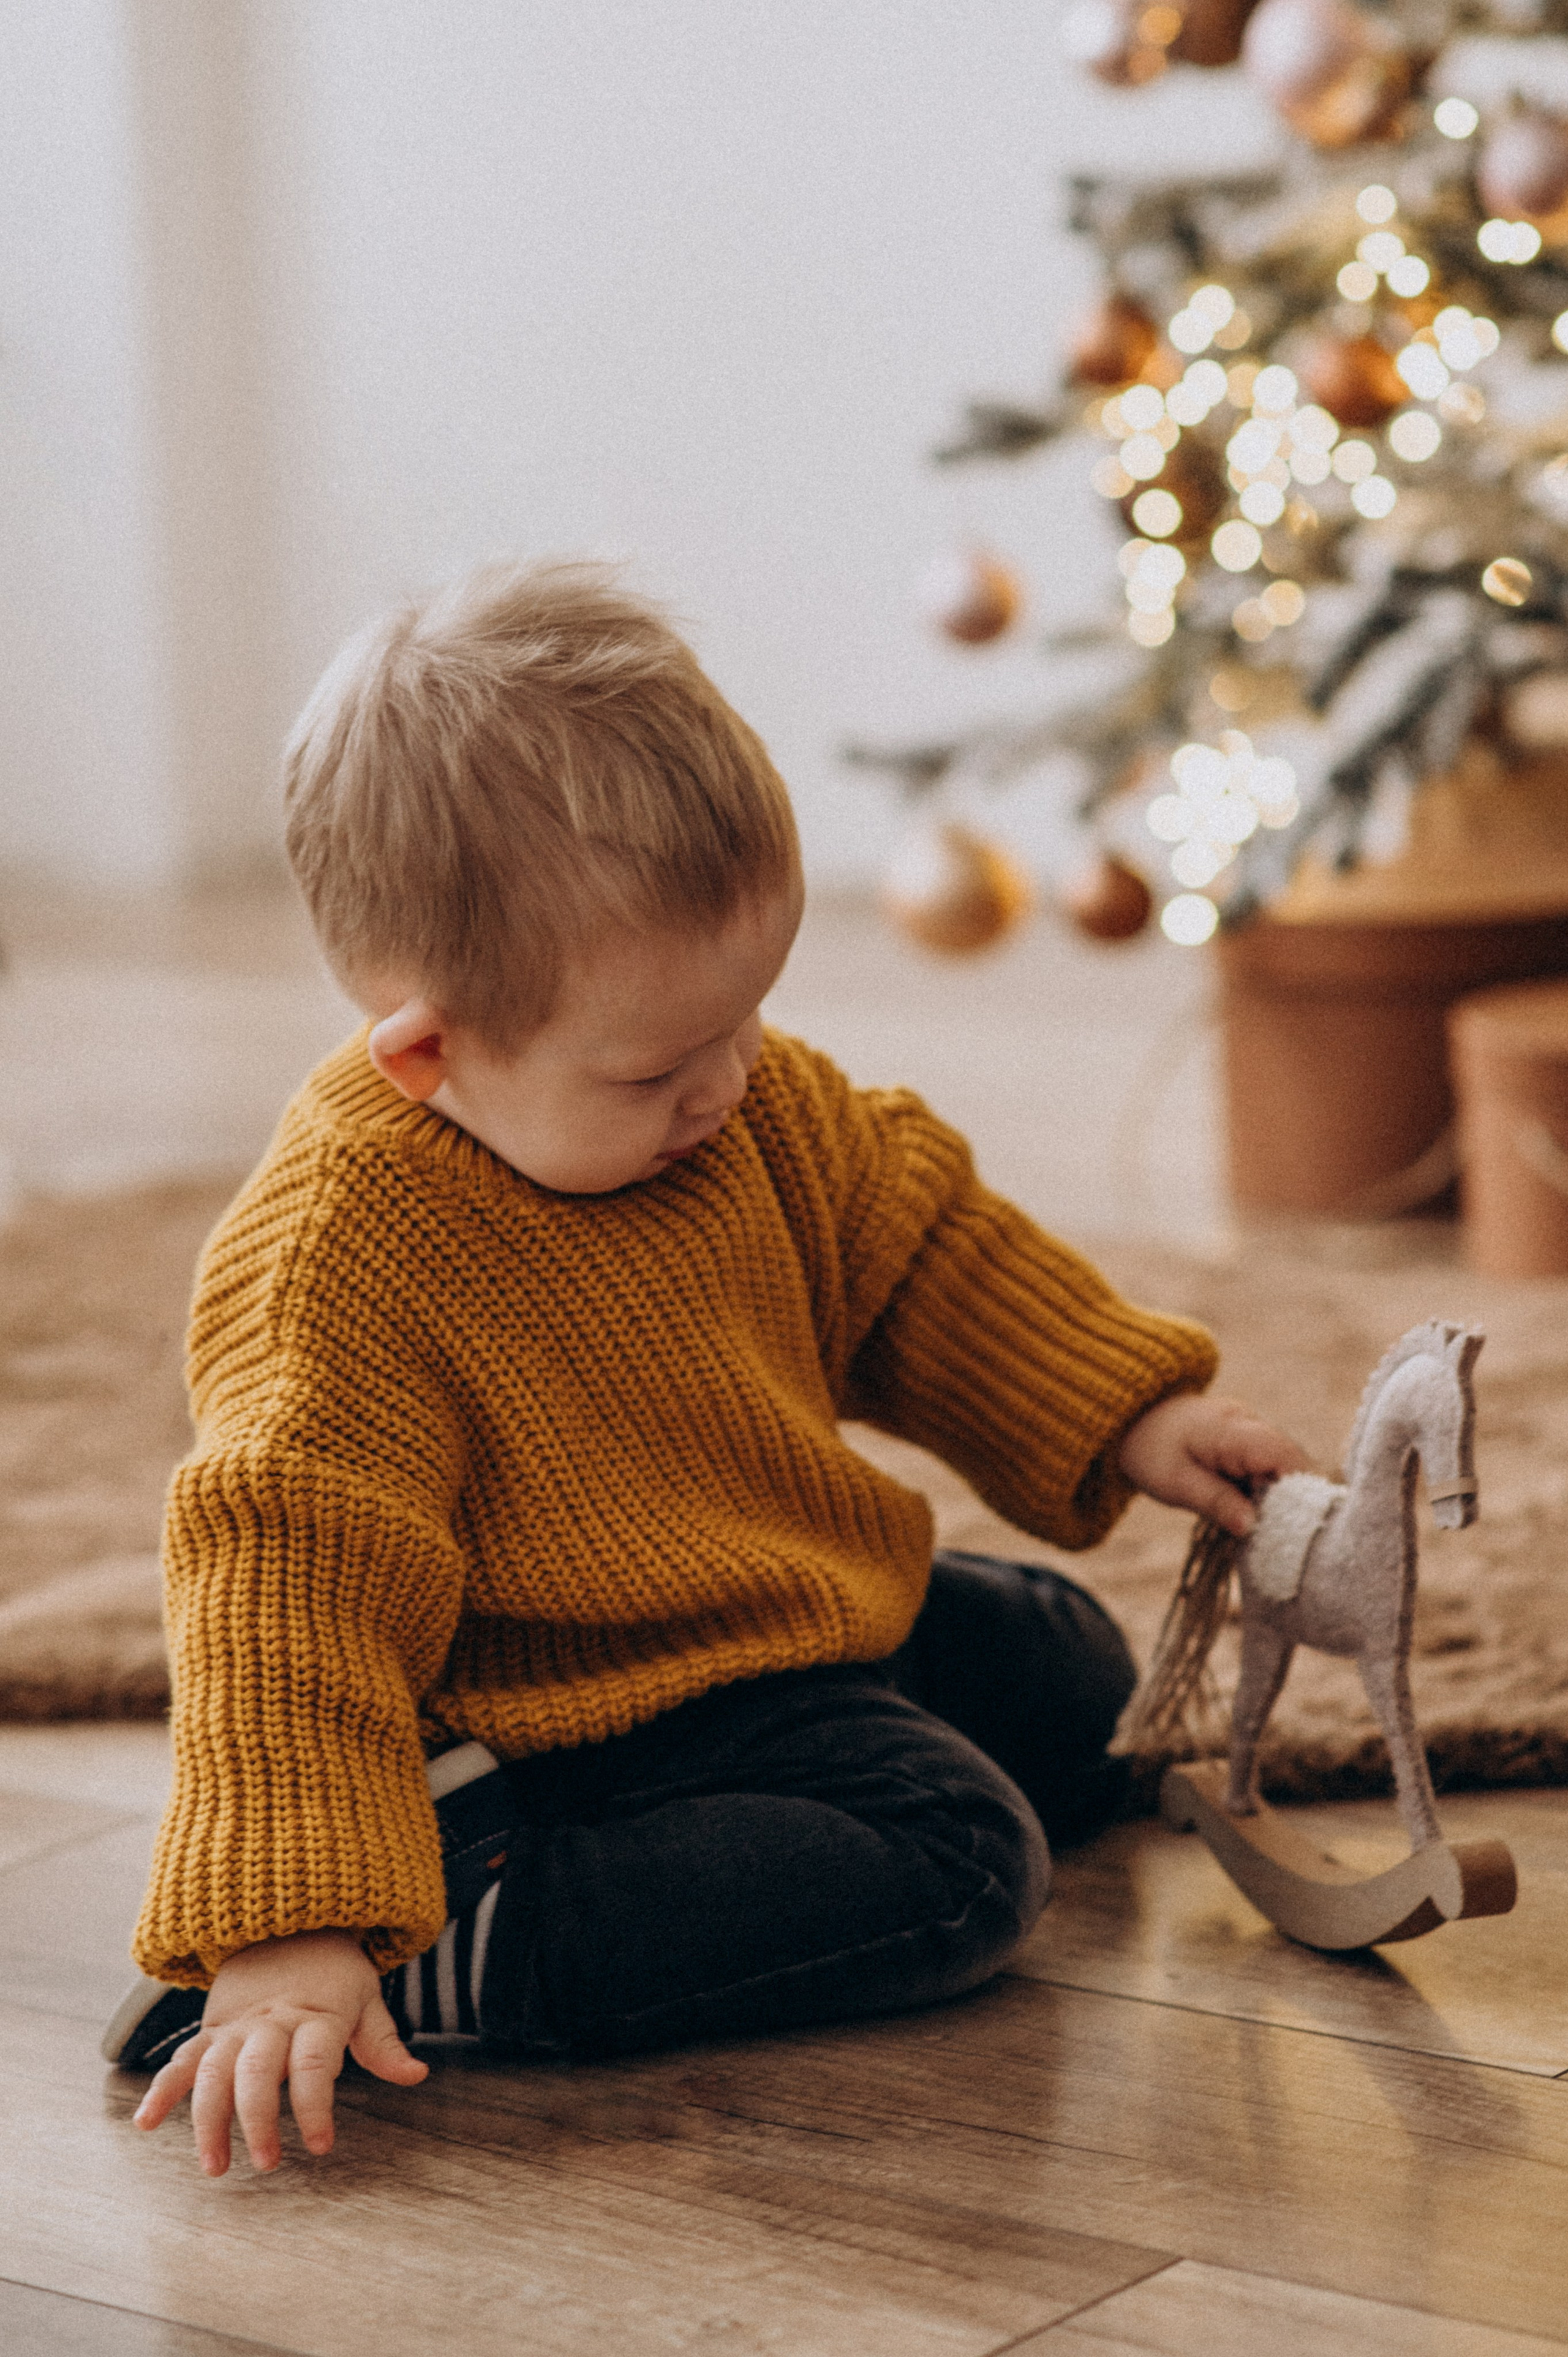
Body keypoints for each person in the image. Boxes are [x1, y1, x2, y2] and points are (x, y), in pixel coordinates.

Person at [108, 561, 1306, 2178]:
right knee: (959, 1863)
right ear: (426, 1052)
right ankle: (460, 1935)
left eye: (750, 1016)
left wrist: (1135, 1407)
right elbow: (284, 1586)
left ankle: (720, 1797)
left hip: (748, 1614)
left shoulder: (738, 1100)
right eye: (661, 1065)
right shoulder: (342, 1269)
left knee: (1072, 1676)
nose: (730, 1084)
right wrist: (289, 1924)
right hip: (539, 1707)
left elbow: (918, 1248)